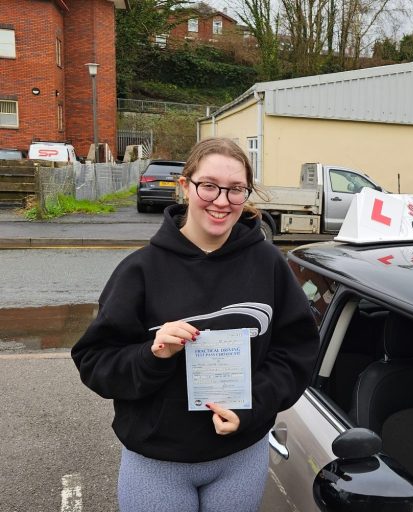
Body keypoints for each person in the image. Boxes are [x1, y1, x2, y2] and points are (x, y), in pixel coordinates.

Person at [71, 137, 320, 512]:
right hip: (157, 463)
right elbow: (95, 361)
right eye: (209, 186)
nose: (222, 201)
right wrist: (152, 356)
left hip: (240, 457)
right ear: (185, 186)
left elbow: (295, 354)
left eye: (236, 189)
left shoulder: (269, 265)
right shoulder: (141, 270)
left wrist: (251, 406)